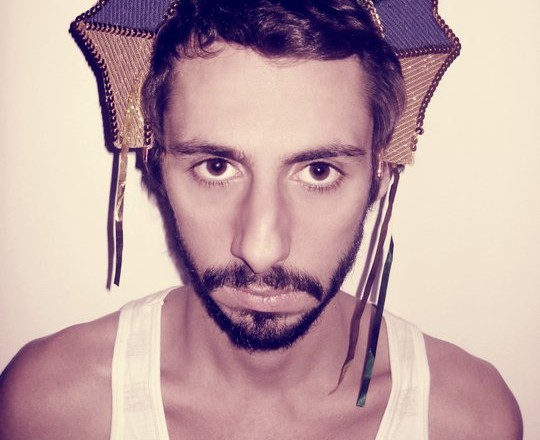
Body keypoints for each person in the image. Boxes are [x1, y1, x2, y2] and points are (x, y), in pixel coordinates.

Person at [0, 0, 522, 439]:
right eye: (216, 166)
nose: (261, 249)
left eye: (318, 171)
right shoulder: (52, 408)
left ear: (380, 171)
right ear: (156, 165)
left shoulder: (468, 421)